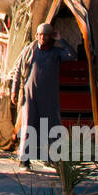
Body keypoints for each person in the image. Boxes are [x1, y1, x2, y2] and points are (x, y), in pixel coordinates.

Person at [12, 22, 76, 170]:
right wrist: (14, 90)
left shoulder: (56, 52)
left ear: (51, 36)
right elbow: (18, 70)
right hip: (30, 96)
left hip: (49, 96)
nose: (42, 38)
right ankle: (24, 160)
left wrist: (61, 40)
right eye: (40, 34)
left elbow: (72, 55)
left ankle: (52, 158)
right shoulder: (29, 50)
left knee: (51, 126)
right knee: (28, 126)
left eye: (46, 35)